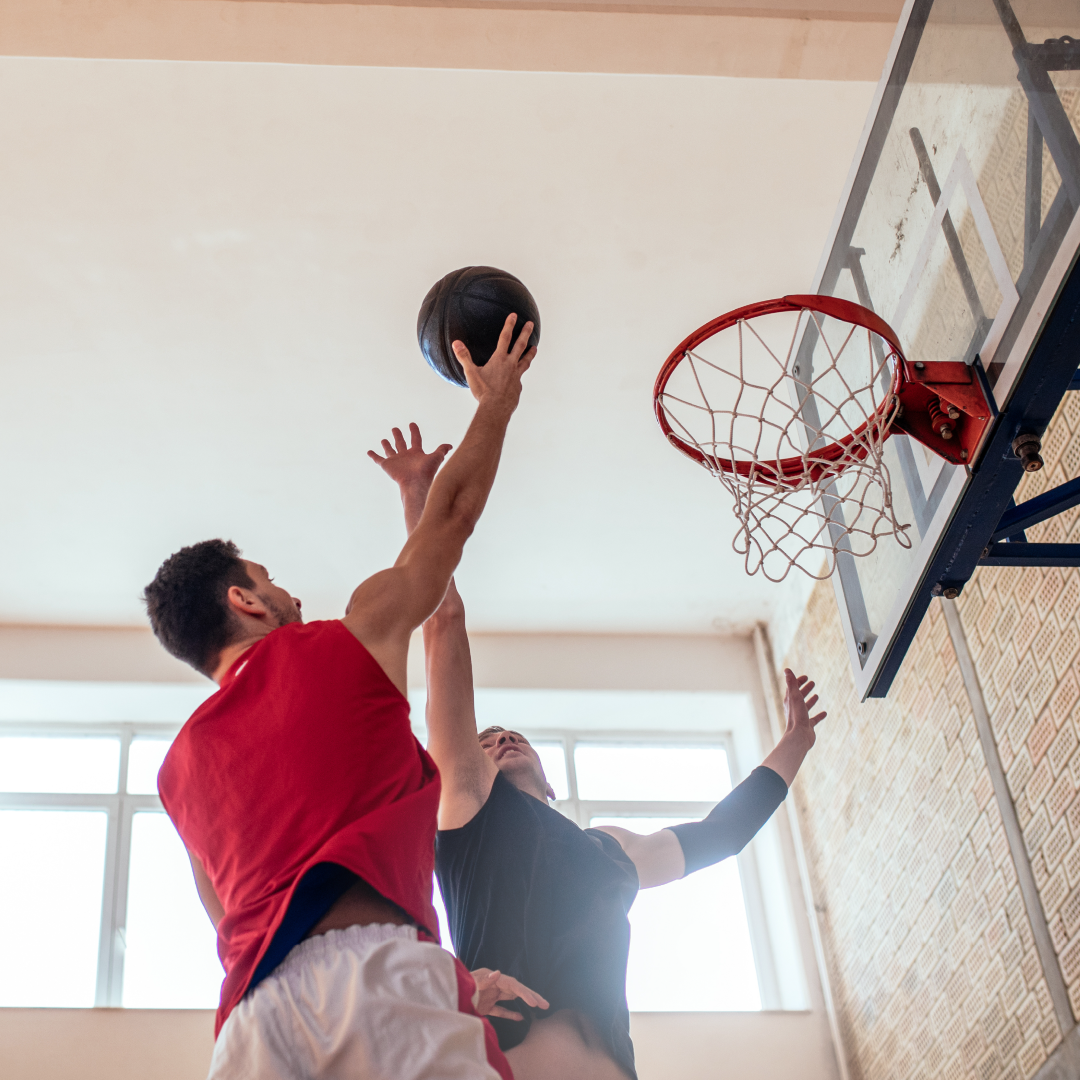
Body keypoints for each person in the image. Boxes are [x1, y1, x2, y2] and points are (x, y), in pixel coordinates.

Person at [144, 315, 547, 1080]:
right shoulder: (348, 640)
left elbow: (227, 921)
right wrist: (495, 406)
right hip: (381, 981)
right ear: (247, 600)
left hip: (254, 1021)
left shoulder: (176, 772)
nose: (286, 589)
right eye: (269, 579)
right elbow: (451, 527)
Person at [370, 428, 827, 1080]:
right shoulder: (469, 812)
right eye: (485, 740)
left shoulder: (611, 852)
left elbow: (720, 836)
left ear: (554, 783)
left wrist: (795, 744)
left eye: (513, 735)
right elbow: (443, 623)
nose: (501, 739)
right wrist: (418, 497)